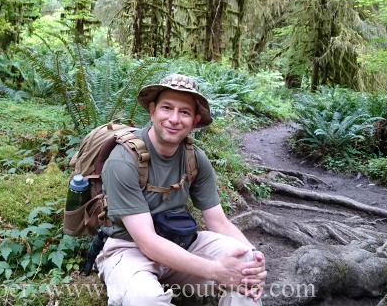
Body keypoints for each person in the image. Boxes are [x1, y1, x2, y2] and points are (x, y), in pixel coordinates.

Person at [95, 74, 267, 306]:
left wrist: (256, 258)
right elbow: (147, 241)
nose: (174, 119)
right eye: (167, 108)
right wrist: (216, 270)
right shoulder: (123, 160)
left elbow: (218, 222)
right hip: (129, 249)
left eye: (184, 112)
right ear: (153, 111)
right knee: (144, 299)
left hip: (182, 243)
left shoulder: (194, 158)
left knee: (244, 263)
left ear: (195, 121)